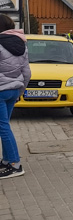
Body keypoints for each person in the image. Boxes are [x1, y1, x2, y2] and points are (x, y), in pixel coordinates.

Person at [0, 13, 31, 179]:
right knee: (5, 126)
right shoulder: (22, 45)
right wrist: (20, 91)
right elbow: (27, 72)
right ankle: (6, 160)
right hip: (14, 90)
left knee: (3, 128)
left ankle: (15, 165)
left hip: (0, 91)